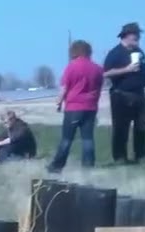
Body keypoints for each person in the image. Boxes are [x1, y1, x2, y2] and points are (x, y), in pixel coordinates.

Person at [103, 22, 145, 165]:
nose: (138, 38)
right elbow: (106, 73)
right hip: (121, 95)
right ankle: (120, 158)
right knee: (121, 128)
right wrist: (126, 69)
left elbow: (144, 69)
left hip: (139, 94)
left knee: (142, 125)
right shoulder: (115, 53)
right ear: (127, 36)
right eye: (136, 35)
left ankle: (141, 155)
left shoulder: (139, 52)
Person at [46, 40, 105, 173]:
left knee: (67, 139)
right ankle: (88, 167)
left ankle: (57, 166)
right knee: (88, 139)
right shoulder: (97, 68)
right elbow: (99, 87)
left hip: (73, 108)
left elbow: (64, 88)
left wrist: (59, 102)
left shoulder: (72, 67)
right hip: (90, 108)